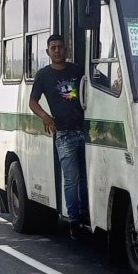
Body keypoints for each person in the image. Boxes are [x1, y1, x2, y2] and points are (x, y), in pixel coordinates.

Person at [29, 34, 88, 240]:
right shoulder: (43, 75)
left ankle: (86, 215)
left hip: (85, 130)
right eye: (53, 48)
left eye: (60, 47)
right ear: (47, 52)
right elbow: (33, 102)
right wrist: (45, 117)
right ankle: (74, 222)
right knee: (71, 180)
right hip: (63, 134)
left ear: (66, 50)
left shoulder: (78, 70)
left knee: (86, 178)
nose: (57, 51)